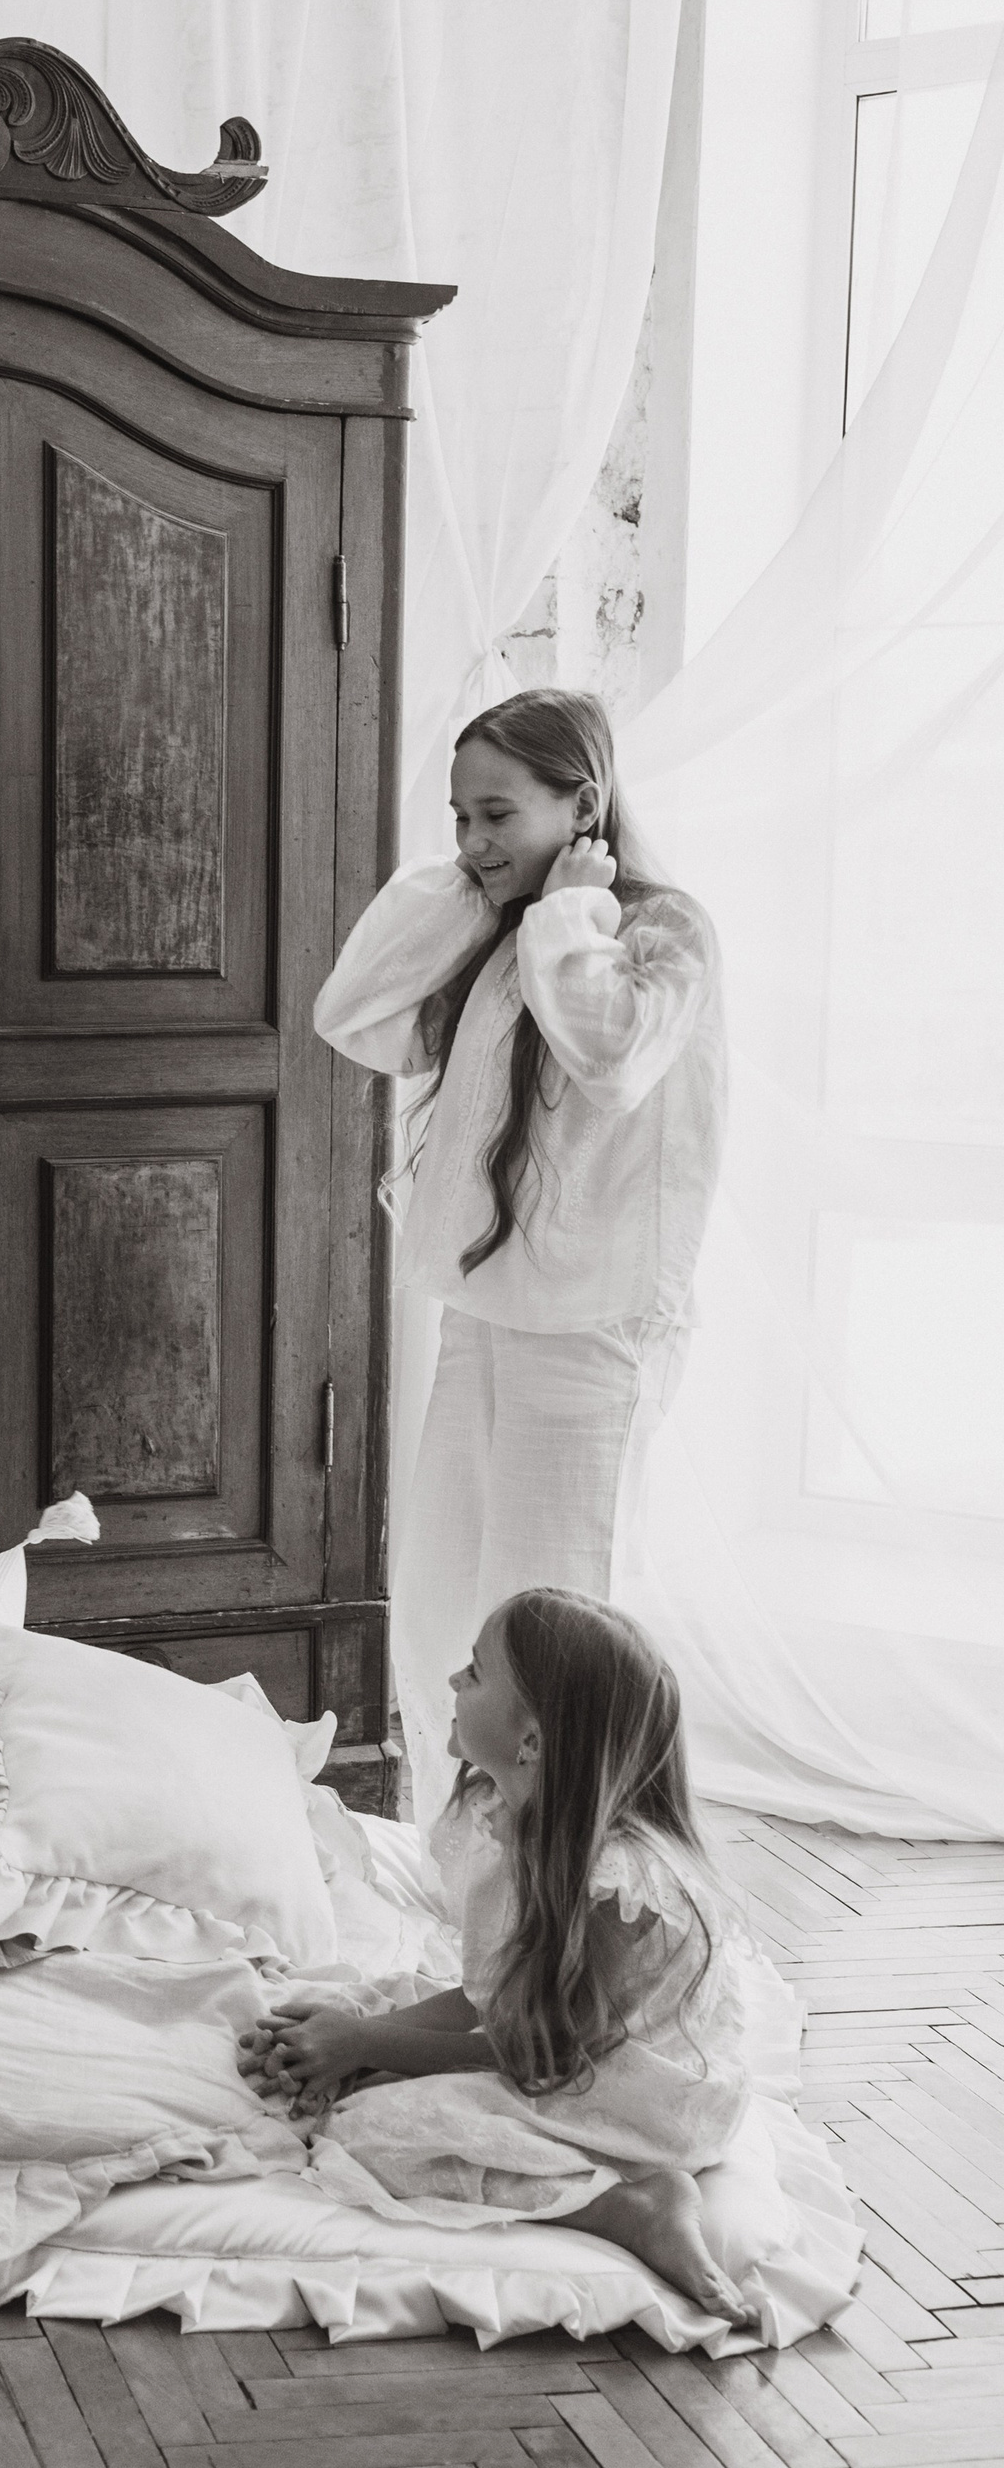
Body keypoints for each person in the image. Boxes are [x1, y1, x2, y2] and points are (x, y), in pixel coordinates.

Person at [314, 688, 725, 1832]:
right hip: (486, 1313)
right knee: (448, 1614)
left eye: (497, 814)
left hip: (594, 1329)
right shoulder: (511, 941)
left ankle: (582, 1875)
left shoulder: (661, 933)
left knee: (561, 1620)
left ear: (582, 806)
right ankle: (467, 1856)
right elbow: (353, 1014)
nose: (472, 839)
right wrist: (478, 889)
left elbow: (610, 1057)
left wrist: (570, 910)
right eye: (459, 817)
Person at [241, 1588, 753, 2321]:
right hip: (558, 2047)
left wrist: (364, 2045)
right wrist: (359, 2040)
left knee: (371, 2136)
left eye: (475, 1673)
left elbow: (543, 2053)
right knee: (371, 2026)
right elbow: (489, 1998)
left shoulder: (614, 1885)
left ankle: (629, 2206)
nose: (454, 1680)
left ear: (532, 1742)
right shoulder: (507, 1817)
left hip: (637, 2096)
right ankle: (368, 2053)